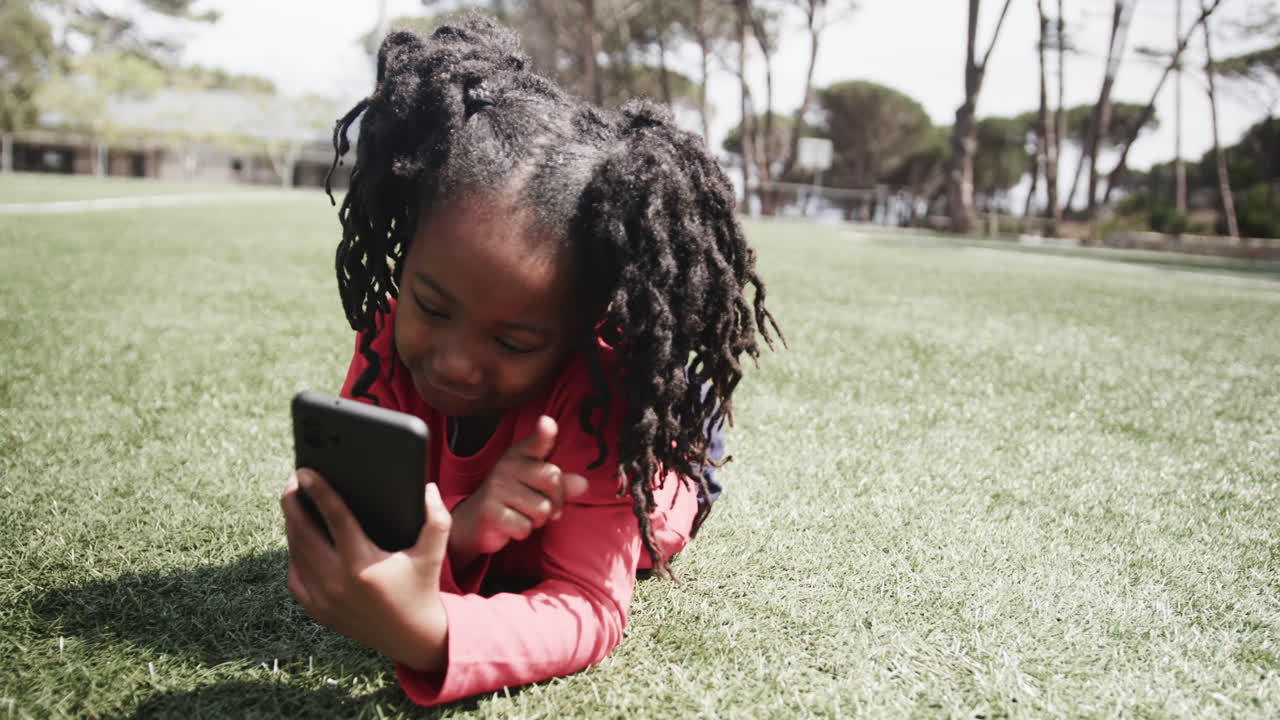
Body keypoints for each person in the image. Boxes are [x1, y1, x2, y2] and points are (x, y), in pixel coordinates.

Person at [280, 14, 781, 706]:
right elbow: (373, 536)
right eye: (431, 305)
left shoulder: (606, 392)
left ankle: (681, 414)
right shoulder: (386, 338)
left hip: (660, 457)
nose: (455, 362)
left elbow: (588, 604)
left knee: (663, 485)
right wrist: (463, 527)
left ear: (582, 324)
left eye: (513, 342)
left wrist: (430, 630)